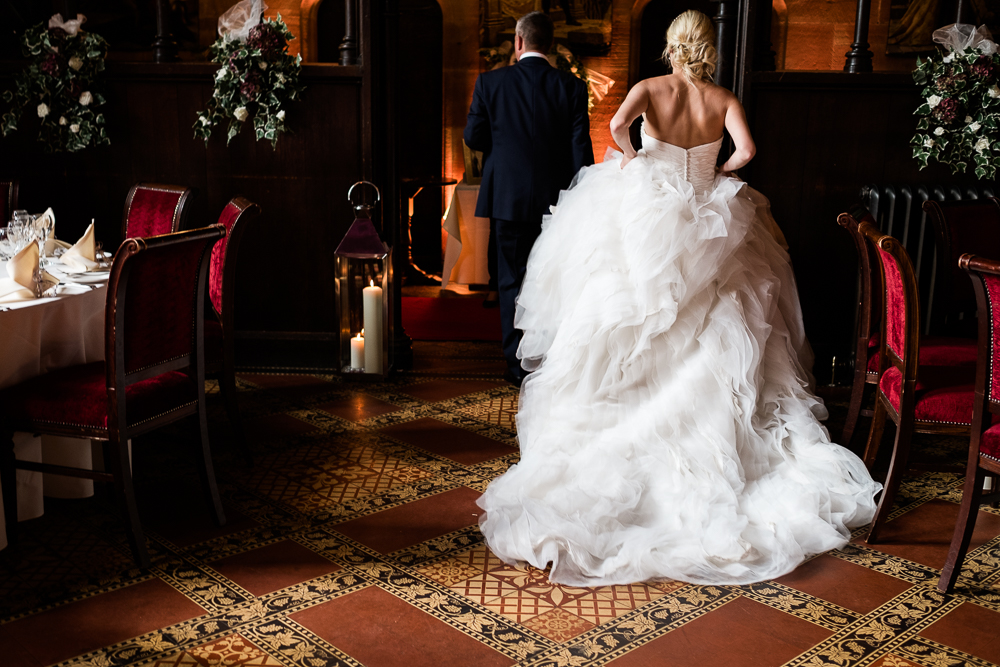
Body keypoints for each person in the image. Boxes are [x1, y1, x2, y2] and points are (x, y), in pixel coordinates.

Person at [477, 10, 881, 586]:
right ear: (709, 48)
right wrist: (712, 172)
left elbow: (617, 128)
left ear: (670, 46)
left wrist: (640, 159)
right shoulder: (722, 97)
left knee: (628, 316)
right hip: (707, 212)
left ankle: (623, 430)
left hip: (648, 211)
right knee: (724, 319)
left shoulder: (648, 89)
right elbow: (746, 151)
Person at [464, 11, 594, 387]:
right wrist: (583, 197)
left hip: (507, 198)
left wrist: (504, 144)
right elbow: (579, 148)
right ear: (550, 44)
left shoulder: (491, 83)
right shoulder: (570, 86)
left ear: (518, 42)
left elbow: (473, 138)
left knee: (510, 281)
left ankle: (517, 364)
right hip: (556, 203)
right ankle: (548, 356)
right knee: (551, 279)